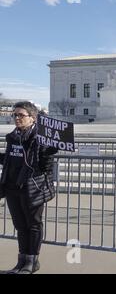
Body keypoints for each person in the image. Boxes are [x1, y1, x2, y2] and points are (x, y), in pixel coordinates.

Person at [0, 102, 58, 274]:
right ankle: (22, 261)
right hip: (12, 187)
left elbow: (45, 166)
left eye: (21, 115)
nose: (17, 118)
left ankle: (32, 261)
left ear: (33, 118)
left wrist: (48, 153)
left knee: (33, 225)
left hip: (32, 187)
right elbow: (11, 159)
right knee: (20, 225)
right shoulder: (13, 137)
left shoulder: (41, 138)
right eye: (15, 115)